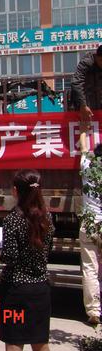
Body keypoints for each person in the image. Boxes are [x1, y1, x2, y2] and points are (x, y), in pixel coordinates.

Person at [0, 170, 54, 351]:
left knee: (14, 344)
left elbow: (10, 256)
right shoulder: (47, 218)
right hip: (41, 288)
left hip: (15, 291)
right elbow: (48, 250)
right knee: (41, 343)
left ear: (15, 191)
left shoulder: (12, 219)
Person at [79, 139, 102, 325]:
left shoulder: (88, 167)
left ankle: (94, 310)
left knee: (90, 268)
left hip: (89, 222)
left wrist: (83, 129)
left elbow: (84, 147)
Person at [71, 45, 102, 125]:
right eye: (101, 60)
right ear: (97, 57)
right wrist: (83, 105)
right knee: (84, 126)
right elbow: (76, 82)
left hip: (99, 101)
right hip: (85, 101)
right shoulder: (86, 62)